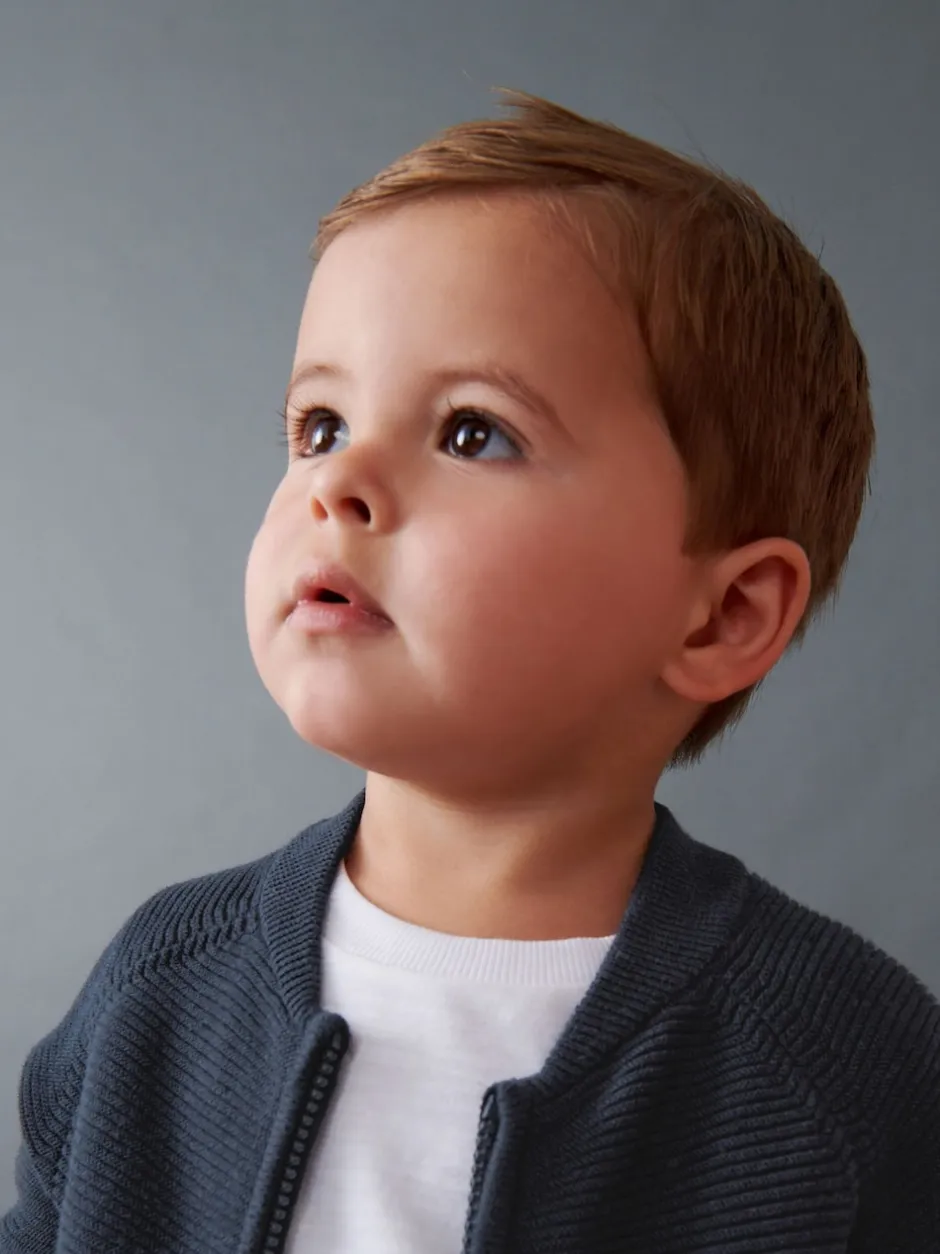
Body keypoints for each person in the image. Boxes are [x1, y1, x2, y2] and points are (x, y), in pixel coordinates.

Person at [2, 88, 937, 1254]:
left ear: (723, 616)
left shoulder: (844, 1066)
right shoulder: (158, 993)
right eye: (320, 425)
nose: (336, 485)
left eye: (471, 433)